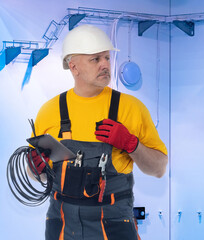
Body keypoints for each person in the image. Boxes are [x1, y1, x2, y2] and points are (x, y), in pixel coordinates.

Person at [28, 24, 168, 240]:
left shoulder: (130, 108)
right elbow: (37, 175)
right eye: (96, 59)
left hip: (113, 225)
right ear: (73, 67)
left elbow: (158, 169)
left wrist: (132, 145)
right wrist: (36, 169)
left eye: (107, 58)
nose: (105, 65)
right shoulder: (49, 111)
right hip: (63, 226)